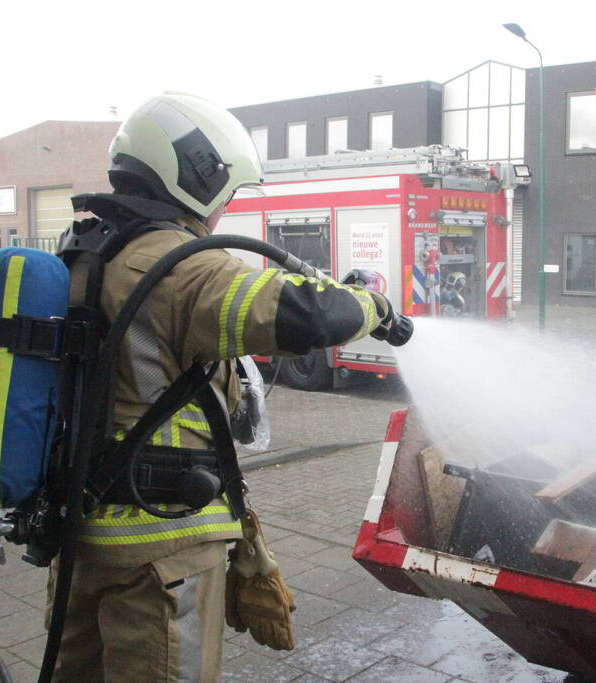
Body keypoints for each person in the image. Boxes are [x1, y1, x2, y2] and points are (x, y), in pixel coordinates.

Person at [47, 92, 398, 681]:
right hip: (159, 546)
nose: (224, 208)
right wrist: (375, 304)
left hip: (78, 531)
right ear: (197, 176)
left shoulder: (88, 251)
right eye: (227, 191)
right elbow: (302, 316)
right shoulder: (180, 265)